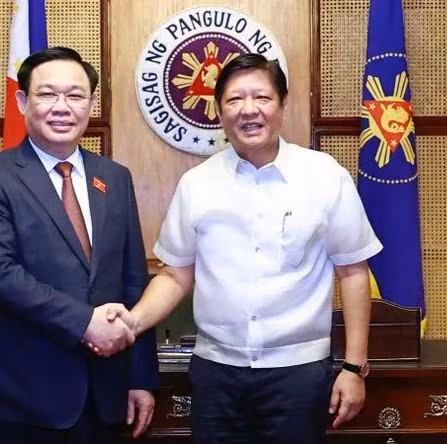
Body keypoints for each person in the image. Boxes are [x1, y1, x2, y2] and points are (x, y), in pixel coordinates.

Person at [108, 53, 383, 443]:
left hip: (299, 373)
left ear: (282, 105)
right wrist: (131, 324)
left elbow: (353, 272)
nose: (248, 110)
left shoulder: (325, 176)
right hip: (216, 373)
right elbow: (175, 274)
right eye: (235, 100)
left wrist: (354, 369)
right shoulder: (197, 184)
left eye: (262, 98)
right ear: (219, 112)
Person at [0, 46, 157, 444]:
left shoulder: (114, 178)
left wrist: (140, 377)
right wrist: (84, 322)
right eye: (48, 94)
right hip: (24, 400)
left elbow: (133, 280)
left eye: (75, 95)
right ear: (22, 101)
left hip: (105, 396)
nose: (62, 107)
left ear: (90, 104)